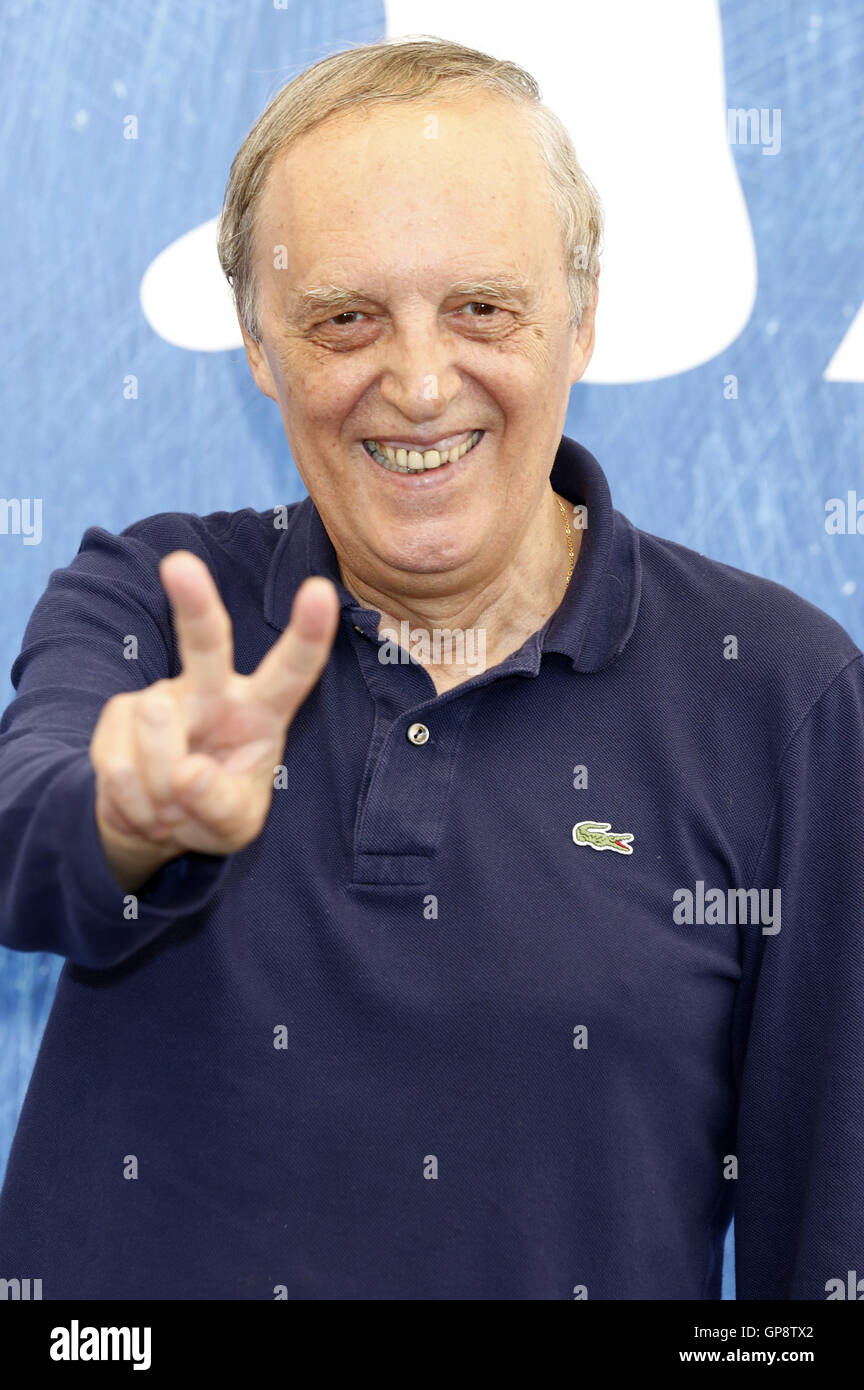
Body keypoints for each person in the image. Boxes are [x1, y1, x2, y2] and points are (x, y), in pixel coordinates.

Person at [0, 35, 862, 1301]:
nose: (415, 381)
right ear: (259, 346)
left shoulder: (783, 693)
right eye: (346, 317)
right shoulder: (151, 596)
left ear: (581, 318)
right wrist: (129, 818)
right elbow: (29, 841)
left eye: (481, 309)